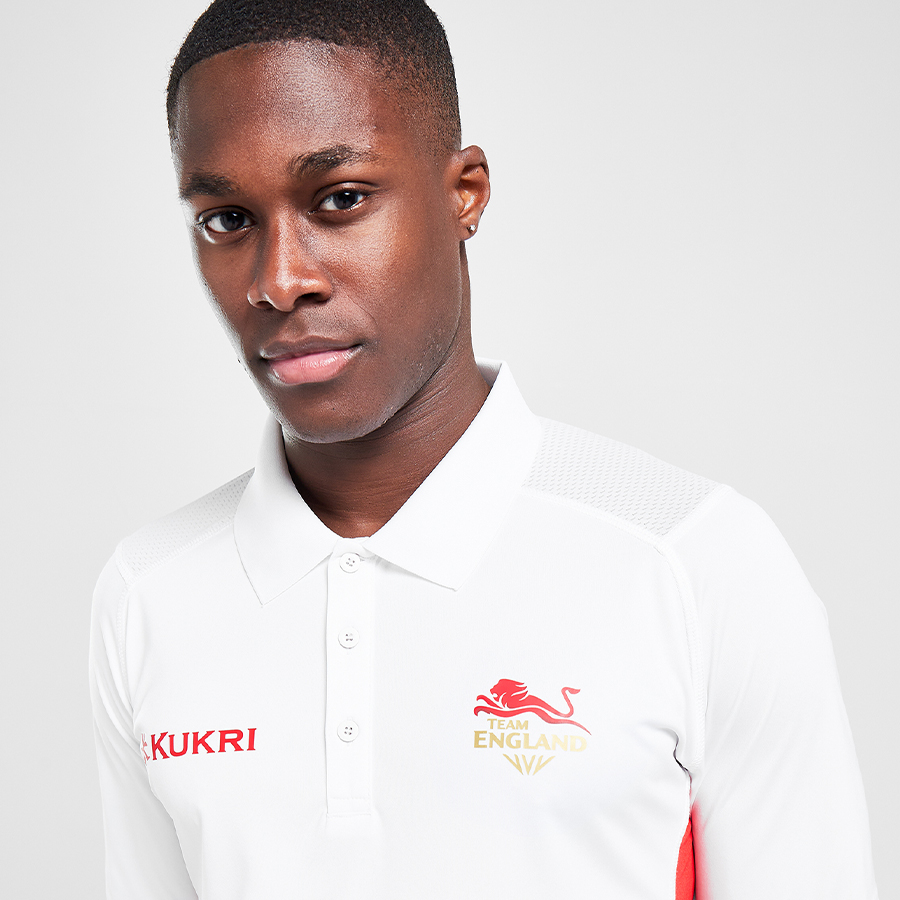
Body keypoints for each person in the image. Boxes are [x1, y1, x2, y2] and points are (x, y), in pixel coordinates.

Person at [89, 1, 879, 897]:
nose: (280, 280)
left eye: (340, 199)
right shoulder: (148, 592)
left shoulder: (693, 562)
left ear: (464, 194)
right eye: (227, 219)